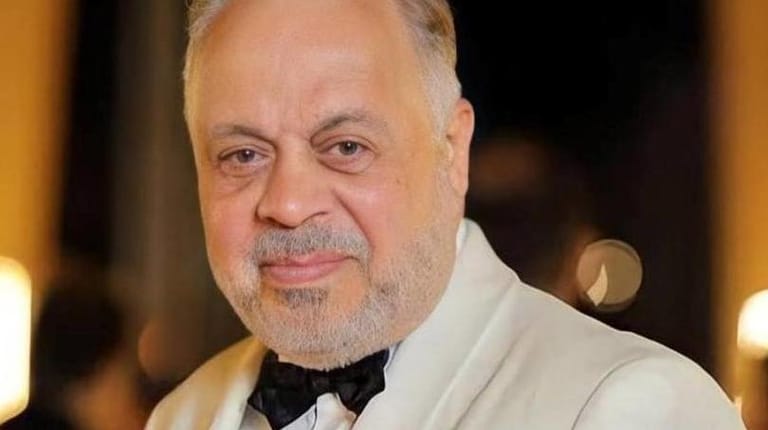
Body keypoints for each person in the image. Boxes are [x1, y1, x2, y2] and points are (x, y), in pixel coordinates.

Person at [148, 0, 745, 428]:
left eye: (346, 147)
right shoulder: (182, 415)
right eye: (243, 155)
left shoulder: (632, 406)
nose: (288, 204)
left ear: (452, 151)